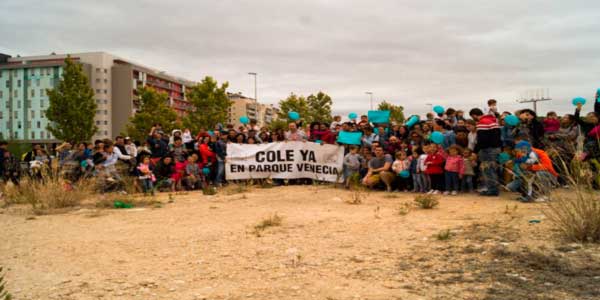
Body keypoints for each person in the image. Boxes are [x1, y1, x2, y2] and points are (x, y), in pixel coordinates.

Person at [470, 108, 502, 196]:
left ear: (474, 115)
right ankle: (493, 189)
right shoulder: (493, 121)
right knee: (493, 169)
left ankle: (492, 190)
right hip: (496, 148)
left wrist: (475, 151)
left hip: (487, 149)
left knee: (488, 169)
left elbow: (482, 139)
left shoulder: (482, 122)